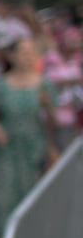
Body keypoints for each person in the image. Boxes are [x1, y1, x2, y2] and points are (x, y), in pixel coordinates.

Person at [0, 35, 58, 238]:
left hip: (34, 148)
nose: (28, 56)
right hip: (7, 148)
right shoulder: (1, 84)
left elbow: (54, 121)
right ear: (12, 55)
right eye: (23, 52)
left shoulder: (44, 84)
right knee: (4, 197)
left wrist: (48, 106)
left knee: (31, 196)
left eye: (31, 52)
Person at [41, 24, 83, 152]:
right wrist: (72, 81)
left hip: (74, 114)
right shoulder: (51, 58)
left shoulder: (77, 60)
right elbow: (48, 83)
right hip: (55, 115)